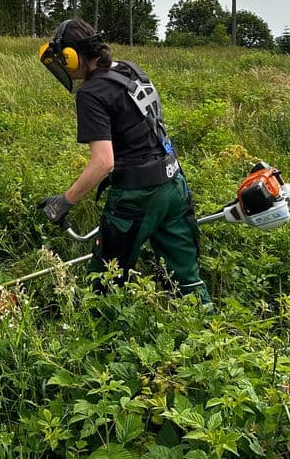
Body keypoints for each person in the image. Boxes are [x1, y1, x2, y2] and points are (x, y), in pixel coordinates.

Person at [36, 19, 211, 302]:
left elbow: (103, 162)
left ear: (71, 56)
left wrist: (64, 202)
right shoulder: (131, 69)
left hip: (137, 197)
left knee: (105, 281)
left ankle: (103, 338)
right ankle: (208, 331)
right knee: (187, 279)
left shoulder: (91, 94)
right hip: (174, 182)